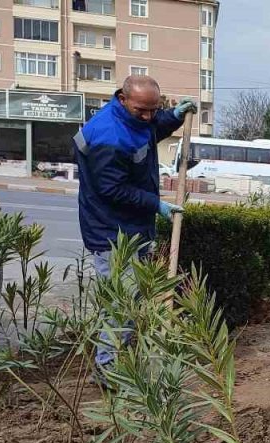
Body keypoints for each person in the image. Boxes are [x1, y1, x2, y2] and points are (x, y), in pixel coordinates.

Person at [74, 74, 197, 368]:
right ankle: (109, 371)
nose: (148, 116)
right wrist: (157, 205)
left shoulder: (135, 120)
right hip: (111, 232)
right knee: (120, 305)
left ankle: (120, 365)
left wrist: (174, 117)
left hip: (131, 227)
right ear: (122, 99)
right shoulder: (109, 136)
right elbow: (111, 188)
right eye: (141, 110)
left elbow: (150, 129)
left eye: (154, 109)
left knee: (130, 301)